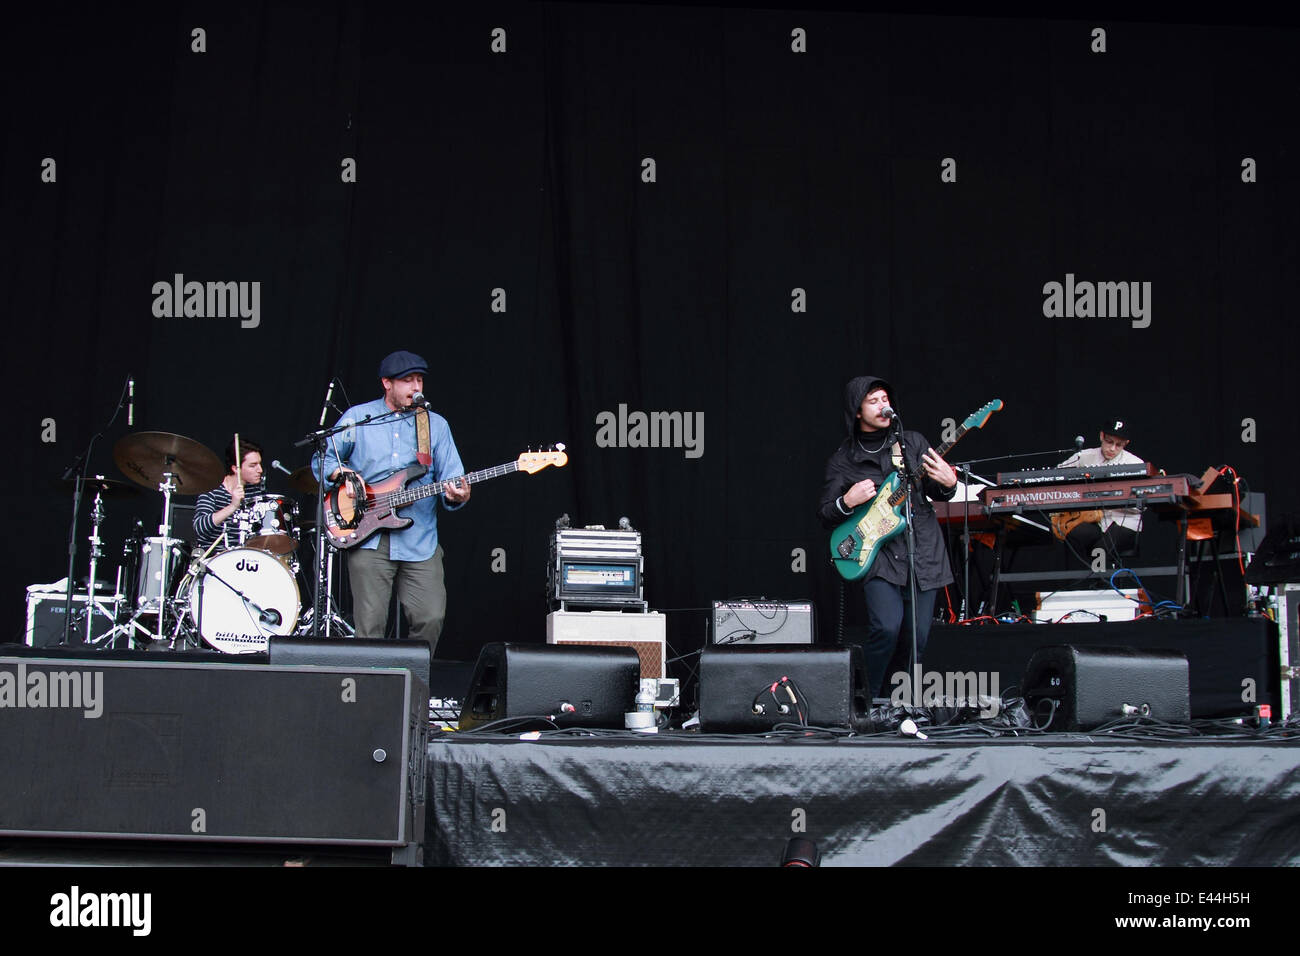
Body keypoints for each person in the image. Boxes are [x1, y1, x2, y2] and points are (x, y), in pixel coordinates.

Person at [314, 350, 470, 653]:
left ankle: (413, 685)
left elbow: (454, 478)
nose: (416, 387)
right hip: (369, 537)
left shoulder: (434, 425)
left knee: (431, 616)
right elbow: (323, 458)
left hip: (419, 538)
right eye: (407, 381)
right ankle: (370, 694)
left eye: (420, 380)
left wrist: (459, 494)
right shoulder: (358, 418)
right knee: (369, 627)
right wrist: (339, 471)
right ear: (387, 383)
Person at [819, 376, 958, 699]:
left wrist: (949, 482)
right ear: (857, 411)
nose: (883, 405)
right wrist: (847, 501)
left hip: (922, 549)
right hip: (878, 554)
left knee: (917, 637)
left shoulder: (912, 443)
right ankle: (868, 700)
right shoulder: (844, 459)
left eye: (885, 399)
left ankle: (902, 705)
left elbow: (938, 490)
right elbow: (825, 514)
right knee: (886, 628)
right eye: (873, 400)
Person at [1057, 418, 1144, 561]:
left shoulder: (1135, 464)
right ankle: (1089, 579)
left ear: (1126, 444)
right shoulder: (1084, 456)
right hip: (1094, 521)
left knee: (1100, 550)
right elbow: (1058, 475)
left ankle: (1099, 581)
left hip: (1124, 521)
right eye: (1109, 442)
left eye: (1119, 445)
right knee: (1073, 534)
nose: (1112, 448)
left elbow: (1141, 505)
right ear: (1101, 436)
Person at [193, 439, 265, 553]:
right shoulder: (212, 489)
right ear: (236, 469)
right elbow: (199, 527)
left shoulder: (255, 491)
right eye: (253, 465)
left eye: (260, 464)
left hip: (243, 560)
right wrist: (232, 506)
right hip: (211, 558)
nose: (260, 470)